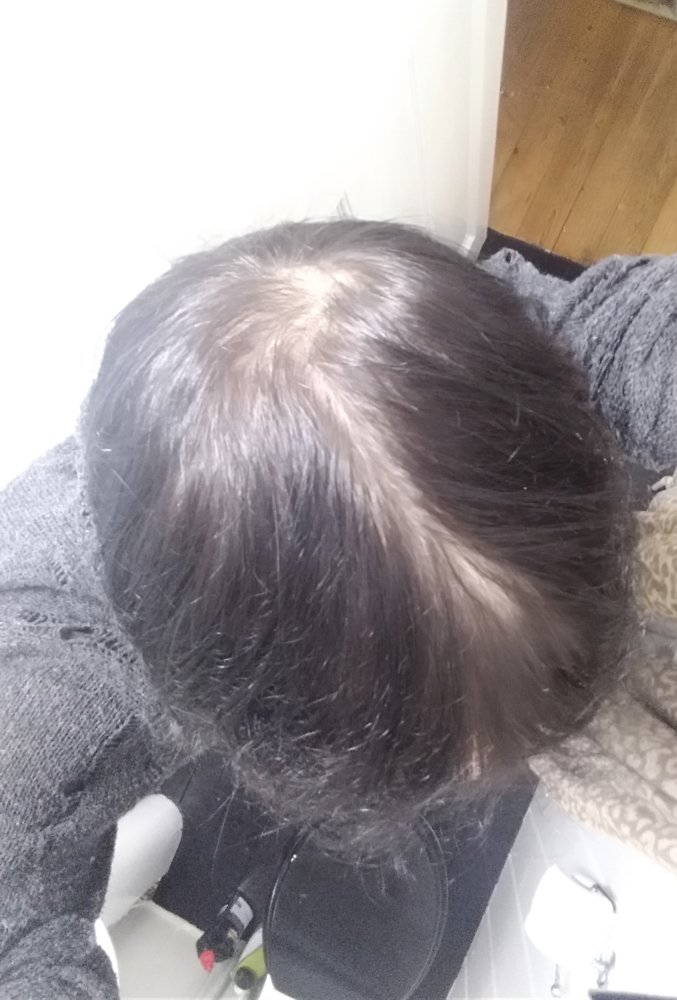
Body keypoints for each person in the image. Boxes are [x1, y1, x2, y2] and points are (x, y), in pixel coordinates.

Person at [0, 220, 632, 998]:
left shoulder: (341, 337)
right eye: (426, 759)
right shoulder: (30, 738)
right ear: (257, 724)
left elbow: (606, 328)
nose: (478, 775)